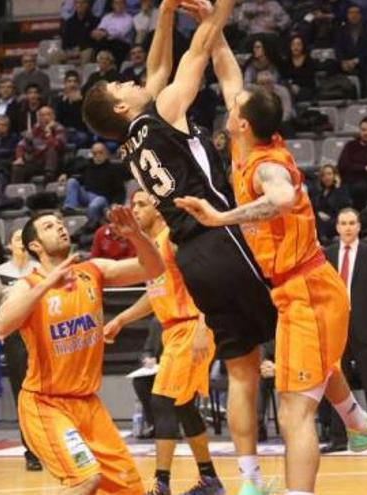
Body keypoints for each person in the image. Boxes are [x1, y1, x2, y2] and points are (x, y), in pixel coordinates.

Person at [175, 25, 367, 494]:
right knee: (311, 377)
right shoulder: (246, 141)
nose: (229, 106)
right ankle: (360, 422)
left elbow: (281, 198)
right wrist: (213, 25)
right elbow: (228, 74)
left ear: (242, 125)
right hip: (291, 292)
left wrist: (221, 217)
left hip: (310, 290)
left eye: (234, 110)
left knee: (294, 408)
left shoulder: (267, 164)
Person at [82, 2, 281, 492]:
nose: (132, 81)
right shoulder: (164, 113)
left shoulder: (132, 147)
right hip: (220, 235)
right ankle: (350, 416)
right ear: (123, 106)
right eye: (122, 87)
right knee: (293, 326)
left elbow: (156, 69)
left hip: (191, 258)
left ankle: (249, 480)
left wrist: (168, 8)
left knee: (240, 369)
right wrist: (221, 8)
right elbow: (195, 52)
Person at [0, 207, 164, 495]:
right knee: (85, 479)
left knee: (131, 489)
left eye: (60, 223)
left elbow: (154, 268)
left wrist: (136, 235)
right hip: (46, 404)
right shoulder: (28, 285)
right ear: (35, 245)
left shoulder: (92, 270)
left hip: (88, 405)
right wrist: (48, 284)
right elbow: (0, 326)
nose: (59, 228)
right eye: (49, 226)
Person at [105, 190, 223, 494]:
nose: (136, 210)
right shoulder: (150, 249)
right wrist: (122, 319)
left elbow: (208, 281)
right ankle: (210, 480)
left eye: (142, 205)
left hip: (190, 326)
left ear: (159, 211)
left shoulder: (172, 239)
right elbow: (153, 294)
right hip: (173, 331)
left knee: (162, 401)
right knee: (183, 406)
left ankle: (161, 484)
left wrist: (202, 324)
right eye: (133, 205)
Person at [320, 208, 367, 454]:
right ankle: (338, 438)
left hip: (365, 326)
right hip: (335, 326)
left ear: (359, 226)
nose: (348, 228)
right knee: (335, 382)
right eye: (343, 223)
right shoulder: (327, 255)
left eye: (352, 223)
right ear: (337, 227)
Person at [0, 229, 42, 471]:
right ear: (9, 245)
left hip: (39, 331)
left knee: (45, 389)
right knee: (22, 392)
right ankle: (31, 451)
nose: (21, 243)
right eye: (16, 238)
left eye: (23, 238)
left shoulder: (39, 269)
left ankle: (50, 445)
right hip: (15, 336)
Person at [309, 165, 351, 245]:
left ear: (335, 176)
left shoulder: (342, 190)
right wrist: (318, 214)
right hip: (318, 222)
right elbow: (312, 207)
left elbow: (345, 207)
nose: (326, 177)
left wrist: (338, 188)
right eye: (323, 175)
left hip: (335, 220)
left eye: (329, 174)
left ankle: (323, 239)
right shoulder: (318, 192)